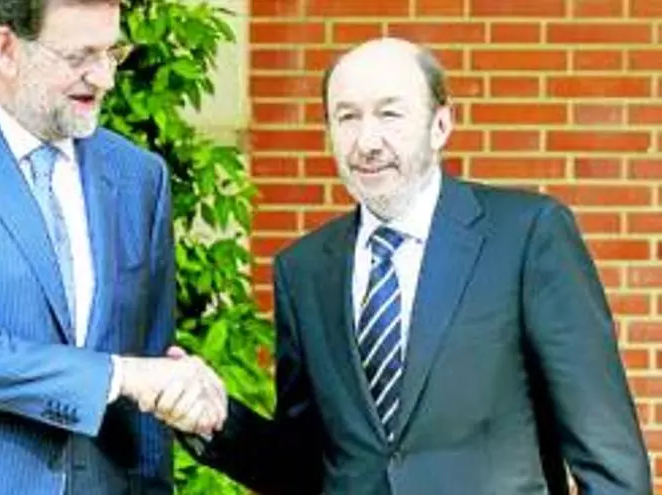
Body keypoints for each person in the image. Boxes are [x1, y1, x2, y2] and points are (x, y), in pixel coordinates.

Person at [174, 37, 651, 494]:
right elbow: (308, 467)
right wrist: (217, 421)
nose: (367, 141)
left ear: (440, 124)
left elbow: (607, 455)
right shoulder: (303, 271)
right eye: (347, 117)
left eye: (390, 113)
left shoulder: (527, 237)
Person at [0, 0, 225, 493]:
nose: (104, 78)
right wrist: (120, 375)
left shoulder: (139, 176)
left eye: (112, 53)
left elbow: (148, 371)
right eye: (78, 57)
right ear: (6, 49)